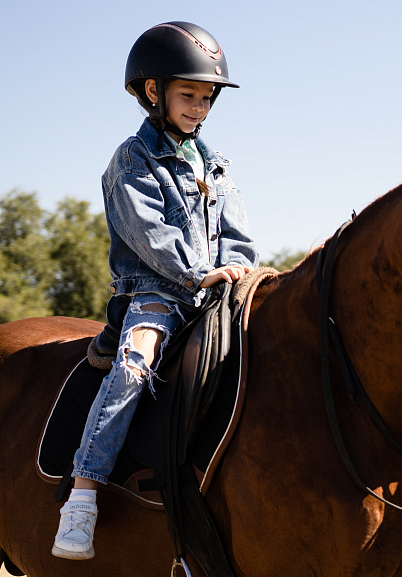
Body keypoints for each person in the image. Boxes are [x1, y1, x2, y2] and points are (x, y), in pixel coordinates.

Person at [52, 21, 258, 560]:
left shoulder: (216, 163)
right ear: (153, 92)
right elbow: (149, 235)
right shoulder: (131, 160)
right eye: (188, 94)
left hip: (215, 295)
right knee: (133, 366)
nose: (200, 106)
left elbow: (238, 236)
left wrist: (237, 269)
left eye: (207, 97)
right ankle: (83, 492)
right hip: (156, 293)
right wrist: (196, 274)